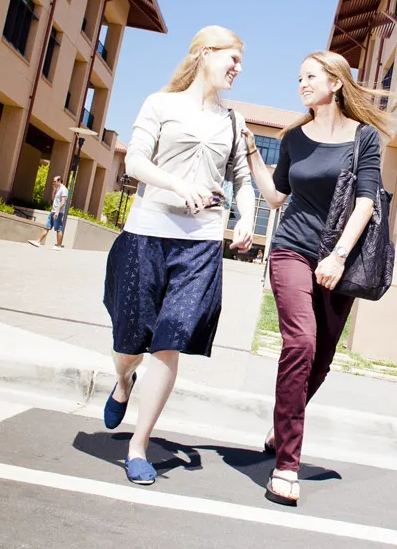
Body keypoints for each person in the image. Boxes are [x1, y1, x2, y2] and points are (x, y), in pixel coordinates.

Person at [102, 25, 255, 486]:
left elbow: (244, 181)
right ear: (205, 53)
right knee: (129, 344)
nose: (238, 68)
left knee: (170, 342)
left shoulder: (234, 120)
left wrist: (246, 218)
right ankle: (124, 380)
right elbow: (135, 163)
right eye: (232, 58)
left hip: (201, 244)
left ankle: (138, 446)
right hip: (146, 235)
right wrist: (177, 184)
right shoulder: (160, 104)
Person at [241, 51, 390, 506]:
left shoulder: (363, 139)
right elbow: (276, 196)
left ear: (336, 83)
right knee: (300, 343)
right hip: (291, 249)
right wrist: (250, 152)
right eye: (298, 78)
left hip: (337, 259)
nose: (301, 83)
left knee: (320, 358)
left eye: (310, 76)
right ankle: (286, 465)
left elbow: (365, 202)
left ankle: (283, 422)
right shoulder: (292, 138)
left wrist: (339, 256)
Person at [28, 175, 69, 250]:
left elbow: (63, 202)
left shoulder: (64, 190)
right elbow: (53, 199)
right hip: (53, 211)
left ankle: (58, 246)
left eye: (54, 181)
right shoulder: (58, 189)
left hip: (58, 213)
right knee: (47, 227)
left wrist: (57, 211)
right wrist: (54, 190)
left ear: (59, 181)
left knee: (58, 229)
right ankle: (38, 241)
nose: (53, 183)